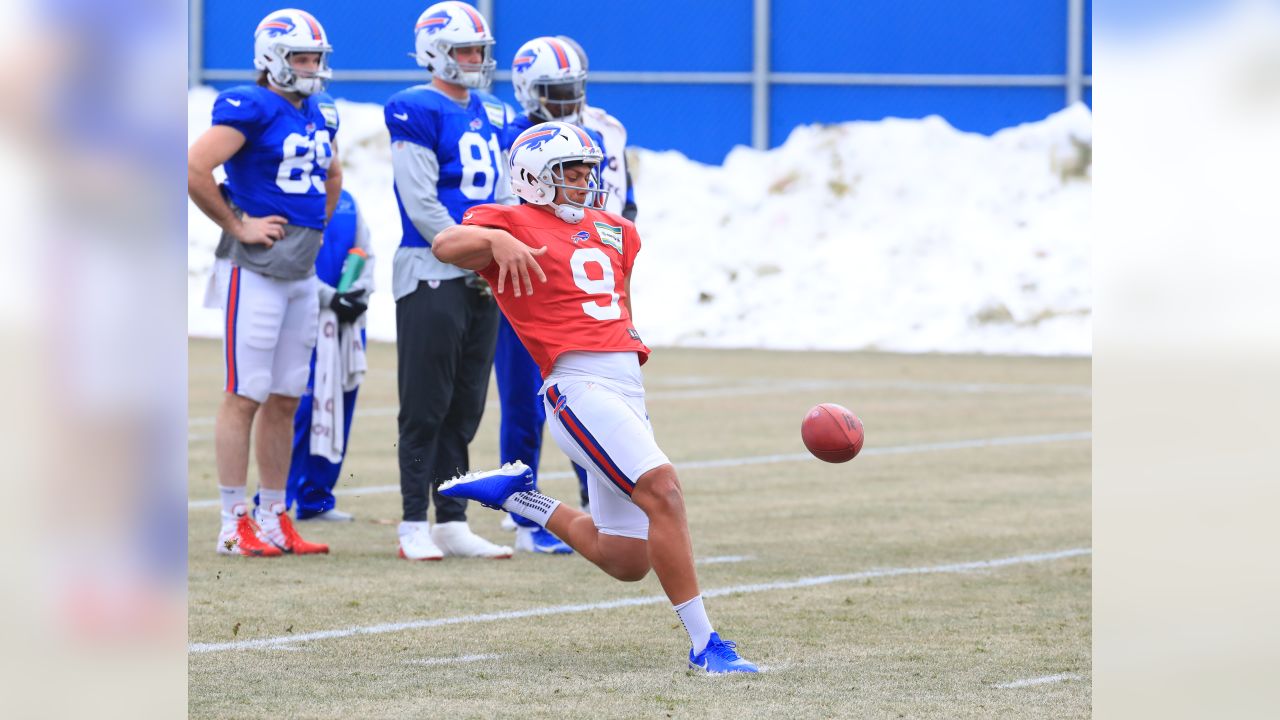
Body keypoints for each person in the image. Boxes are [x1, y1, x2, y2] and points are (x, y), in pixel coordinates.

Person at [432, 121, 758, 673]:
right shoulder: (506, 218)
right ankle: (707, 645)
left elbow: (618, 306)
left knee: (626, 558)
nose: (586, 180)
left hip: (625, 385)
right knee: (665, 490)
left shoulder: (616, 230)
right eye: (571, 170)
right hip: (576, 385)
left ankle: (522, 499)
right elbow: (443, 245)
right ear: (534, 177)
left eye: (589, 168)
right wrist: (496, 240)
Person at [187, 8, 338, 557]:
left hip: (298, 270)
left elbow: (333, 173)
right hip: (254, 269)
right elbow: (195, 167)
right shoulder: (249, 105)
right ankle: (233, 522)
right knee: (245, 392)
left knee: (285, 395)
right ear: (272, 58)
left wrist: (316, 227)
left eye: (315, 58)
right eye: (301, 57)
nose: (310, 67)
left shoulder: (321, 111)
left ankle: (274, 516)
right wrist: (237, 223)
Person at [385, 1, 514, 560]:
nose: (475, 60)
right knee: (425, 404)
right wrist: (474, 249)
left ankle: (452, 517)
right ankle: (414, 518)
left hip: (481, 275)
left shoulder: (497, 112)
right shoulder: (414, 108)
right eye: (464, 49)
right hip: (431, 268)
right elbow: (421, 203)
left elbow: (507, 195)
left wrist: (497, 247)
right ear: (437, 51)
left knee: (465, 405)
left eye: (479, 50)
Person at [278, 188, 374, 522]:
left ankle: (317, 500)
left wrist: (358, 294)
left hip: (346, 323)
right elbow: (288, 256)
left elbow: (367, 252)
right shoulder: (291, 197)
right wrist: (328, 297)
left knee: (340, 407)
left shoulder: (348, 200)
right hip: (303, 319)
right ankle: (275, 501)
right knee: (300, 411)